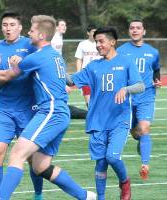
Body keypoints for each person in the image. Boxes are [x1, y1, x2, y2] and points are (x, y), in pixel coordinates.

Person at [0, 15, 96, 200]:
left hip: (51, 112)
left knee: (17, 154)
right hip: (60, 113)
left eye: (32, 30)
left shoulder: (37, 57)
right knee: (40, 166)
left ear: (41, 35)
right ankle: (86, 196)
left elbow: (11, 73)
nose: (28, 32)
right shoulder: (55, 55)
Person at [69, 27, 145, 200]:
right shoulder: (93, 66)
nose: (98, 45)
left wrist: (126, 89)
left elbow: (140, 86)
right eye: (96, 41)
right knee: (101, 162)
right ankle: (101, 197)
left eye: (101, 41)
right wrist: (54, 68)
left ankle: (124, 182)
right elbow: (72, 80)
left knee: (112, 157)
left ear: (113, 42)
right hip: (97, 121)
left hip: (119, 120)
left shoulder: (126, 62)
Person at [0, 11, 43, 200]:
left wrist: (23, 64)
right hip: (4, 109)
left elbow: (41, 70)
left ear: (20, 27)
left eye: (12, 25)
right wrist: (9, 72)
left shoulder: (31, 45)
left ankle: (38, 195)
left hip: (30, 110)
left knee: (32, 159)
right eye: (5, 25)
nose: (8, 28)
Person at [117, 19, 161, 181]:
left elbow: (156, 69)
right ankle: (141, 142)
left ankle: (145, 164)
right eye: (132, 28)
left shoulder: (153, 52)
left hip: (146, 97)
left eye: (138, 28)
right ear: (129, 31)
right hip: (127, 98)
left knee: (144, 129)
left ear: (144, 31)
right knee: (136, 134)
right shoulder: (120, 51)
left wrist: (156, 80)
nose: (135, 30)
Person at [51, 18, 87, 119]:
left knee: (70, 84)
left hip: (59, 67)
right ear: (56, 27)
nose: (64, 27)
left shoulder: (59, 37)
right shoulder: (53, 38)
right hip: (54, 69)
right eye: (62, 25)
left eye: (65, 25)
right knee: (68, 86)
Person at [75, 24, 102, 106]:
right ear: (88, 33)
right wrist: (78, 72)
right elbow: (79, 59)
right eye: (93, 31)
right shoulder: (82, 44)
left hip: (99, 73)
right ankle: (91, 115)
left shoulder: (101, 44)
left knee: (99, 98)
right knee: (88, 100)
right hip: (86, 73)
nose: (95, 33)